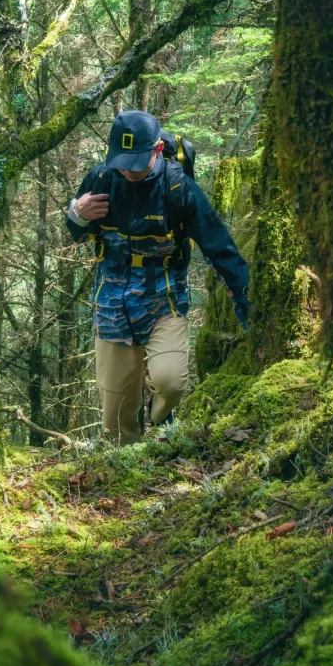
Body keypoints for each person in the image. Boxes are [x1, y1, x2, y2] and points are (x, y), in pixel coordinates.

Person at [65, 110, 250, 444]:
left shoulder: (178, 188)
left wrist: (245, 297)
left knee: (171, 382)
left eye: (136, 161)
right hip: (111, 302)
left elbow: (218, 244)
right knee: (116, 416)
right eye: (122, 161)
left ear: (156, 151)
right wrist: (77, 216)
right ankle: (126, 469)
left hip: (163, 298)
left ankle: (162, 420)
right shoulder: (101, 179)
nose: (128, 171)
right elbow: (74, 233)